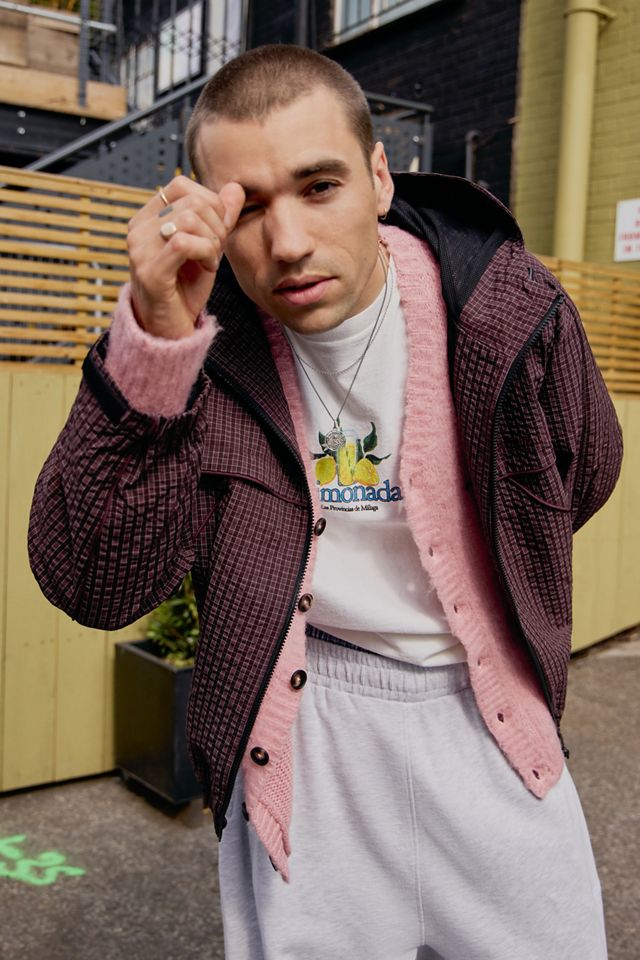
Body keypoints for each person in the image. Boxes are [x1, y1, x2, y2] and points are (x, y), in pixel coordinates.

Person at [29, 45, 622, 960]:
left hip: (490, 712)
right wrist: (154, 338)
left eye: (319, 187)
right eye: (248, 207)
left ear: (379, 177)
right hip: (303, 733)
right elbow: (95, 581)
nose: (289, 242)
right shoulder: (202, 352)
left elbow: (582, 470)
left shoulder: (502, 306)